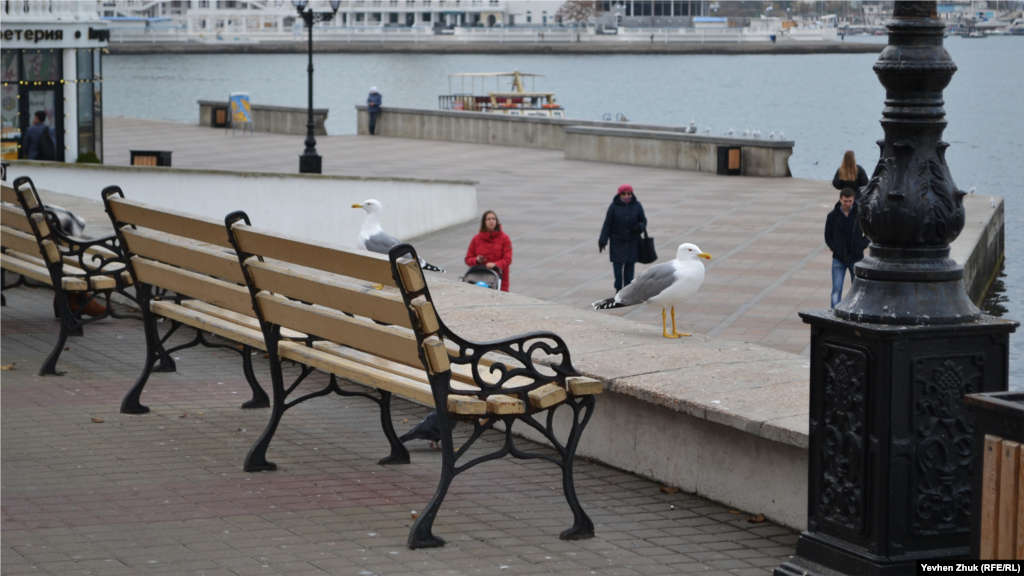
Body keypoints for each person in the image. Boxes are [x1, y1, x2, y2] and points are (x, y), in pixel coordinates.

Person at [824, 188, 870, 308]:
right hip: (839, 258)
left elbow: (869, 232)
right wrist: (835, 247)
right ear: (840, 199)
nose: (847, 204)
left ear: (854, 199)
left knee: (857, 290)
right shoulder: (832, 216)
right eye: (845, 201)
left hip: (856, 257)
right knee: (836, 289)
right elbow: (827, 236)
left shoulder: (860, 215)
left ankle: (856, 311)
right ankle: (834, 315)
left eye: (850, 201)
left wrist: (862, 245)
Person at [599, 184, 647, 293]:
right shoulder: (613, 207)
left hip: (632, 243)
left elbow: (643, 221)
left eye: (628, 194)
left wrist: (639, 227)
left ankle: (627, 290)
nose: (626, 196)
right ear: (620, 194)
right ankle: (618, 288)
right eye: (624, 194)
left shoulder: (637, 205)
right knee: (617, 268)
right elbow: (607, 224)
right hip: (617, 242)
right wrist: (603, 240)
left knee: (629, 268)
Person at [464, 210, 512, 292]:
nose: (491, 221)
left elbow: (507, 259)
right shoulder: (476, 239)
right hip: (479, 277)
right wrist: (477, 260)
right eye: (488, 219)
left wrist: (495, 264)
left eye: (493, 219)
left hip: (499, 278)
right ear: (484, 222)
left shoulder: (505, 239)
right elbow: (468, 259)